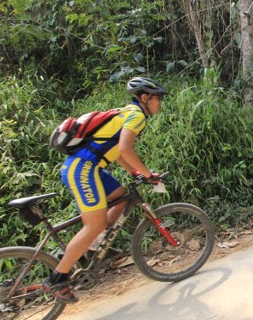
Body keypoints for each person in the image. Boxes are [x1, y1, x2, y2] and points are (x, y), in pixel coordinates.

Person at [42, 77, 169, 303]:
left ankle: (95, 245)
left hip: (89, 168)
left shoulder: (125, 113)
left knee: (121, 198)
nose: (160, 102)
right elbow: (126, 148)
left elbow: (117, 152)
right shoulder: (137, 116)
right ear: (144, 98)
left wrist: (134, 173)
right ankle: (57, 279)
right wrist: (148, 174)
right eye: (157, 98)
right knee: (95, 224)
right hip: (83, 170)